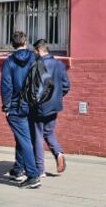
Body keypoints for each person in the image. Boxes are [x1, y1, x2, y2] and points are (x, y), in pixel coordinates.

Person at [1, 30, 41, 188]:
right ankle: (18, 168)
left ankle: (33, 175)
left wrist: (6, 106)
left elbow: (6, 85)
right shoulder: (34, 57)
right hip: (33, 104)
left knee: (24, 139)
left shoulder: (9, 61)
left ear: (12, 44)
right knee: (22, 136)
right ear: (26, 42)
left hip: (17, 105)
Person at [31, 38, 71, 176]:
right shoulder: (59, 64)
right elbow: (66, 86)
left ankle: (40, 169)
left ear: (38, 51)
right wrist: (56, 97)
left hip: (39, 107)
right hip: (54, 106)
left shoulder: (36, 65)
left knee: (37, 137)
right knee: (48, 133)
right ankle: (58, 153)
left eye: (34, 51)